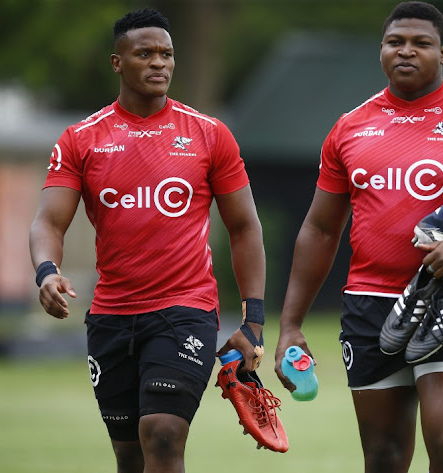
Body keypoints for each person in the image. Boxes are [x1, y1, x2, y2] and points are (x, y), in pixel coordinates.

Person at [274, 2, 443, 473]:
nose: (406, 51)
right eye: (395, 42)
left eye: (420, 43)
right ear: (380, 51)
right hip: (369, 305)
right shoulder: (348, 127)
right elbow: (320, 229)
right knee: (383, 457)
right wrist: (290, 325)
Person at [29, 9, 266, 473]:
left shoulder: (209, 134)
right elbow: (49, 222)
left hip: (185, 310)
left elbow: (244, 227)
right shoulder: (82, 139)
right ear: (118, 62)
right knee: (129, 453)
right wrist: (46, 271)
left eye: (167, 54)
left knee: (162, 433)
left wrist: (253, 319)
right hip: (112, 317)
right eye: (145, 54)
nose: (159, 63)